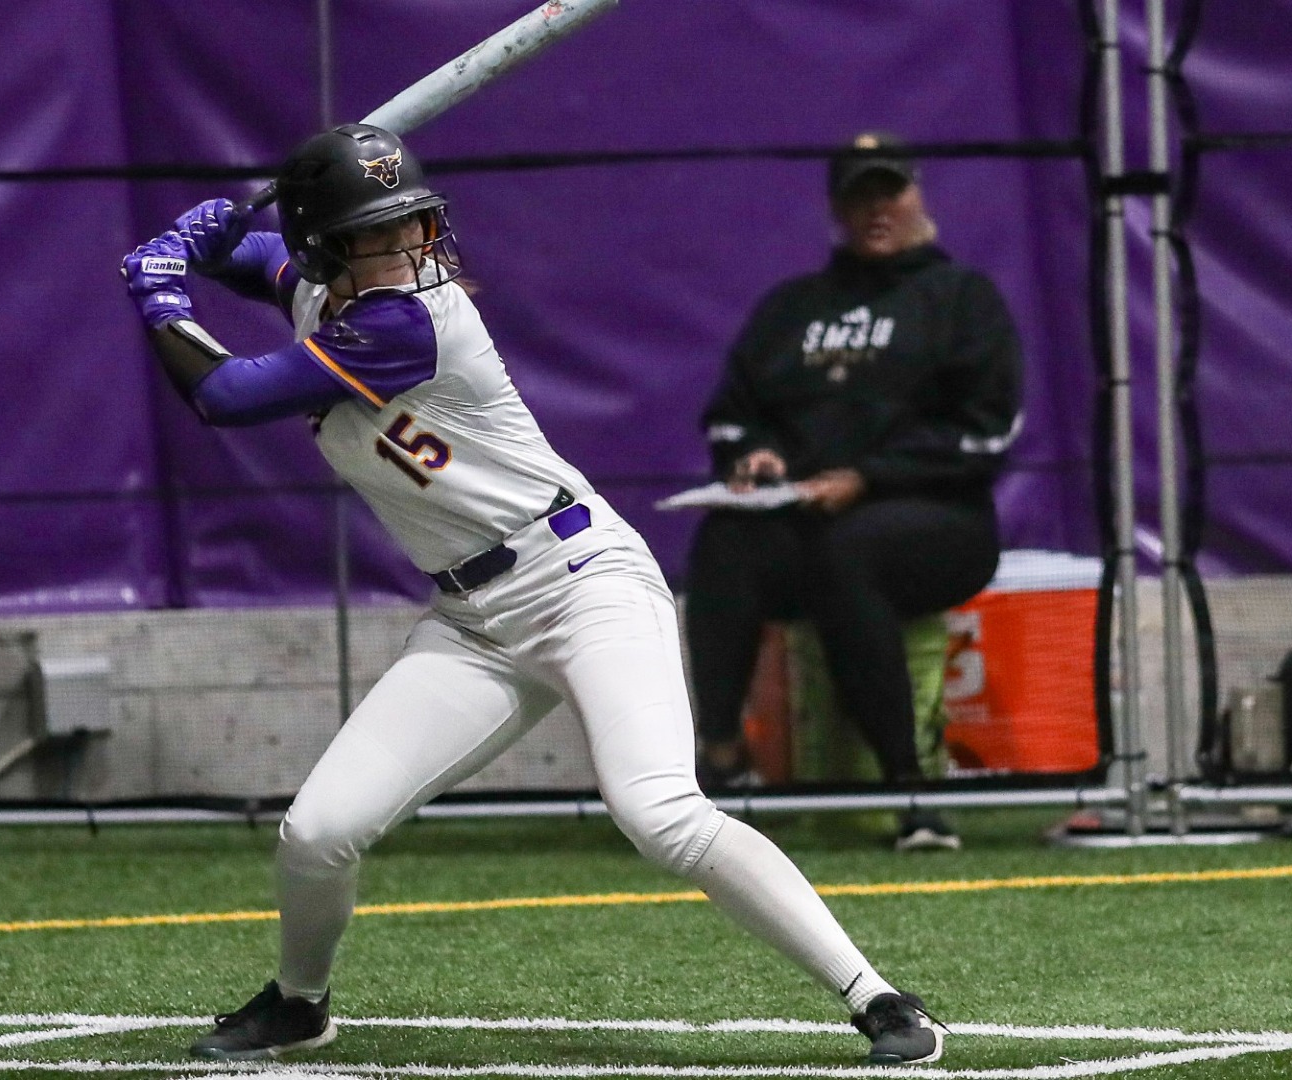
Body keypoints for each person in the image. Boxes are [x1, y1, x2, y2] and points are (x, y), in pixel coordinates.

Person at [120, 123, 945, 1067]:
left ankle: (879, 999)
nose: (408, 249)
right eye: (377, 234)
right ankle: (300, 1004)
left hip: (582, 582)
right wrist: (207, 232)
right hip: (471, 623)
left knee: (660, 812)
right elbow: (268, 256)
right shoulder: (325, 289)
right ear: (329, 247)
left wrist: (157, 286)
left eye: (413, 227)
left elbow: (224, 395)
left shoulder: (410, 321)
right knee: (317, 832)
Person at [683, 133, 1023, 851]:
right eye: (859, 195)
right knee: (724, 539)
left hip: (940, 519)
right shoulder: (792, 307)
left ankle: (912, 794)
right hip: (799, 514)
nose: (877, 209)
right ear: (836, 207)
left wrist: (869, 477)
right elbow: (730, 411)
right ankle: (717, 761)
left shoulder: (962, 299)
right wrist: (752, 455)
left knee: (851, 549)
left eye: (889, 190)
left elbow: (989, 432)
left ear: (918, 193)